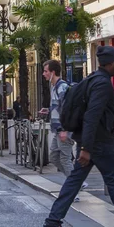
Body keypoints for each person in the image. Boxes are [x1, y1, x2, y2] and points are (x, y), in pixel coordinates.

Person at [44, 46, 114, 227]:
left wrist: (84, 145)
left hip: (90, 141)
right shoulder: (102, 84)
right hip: (101, 143)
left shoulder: (91, 80)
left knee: (73, 183)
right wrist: (86, 148)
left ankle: (52, 220)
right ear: (111, 63)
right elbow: (92, 116)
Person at [43, 60, 88, 200]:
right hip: (58, 129)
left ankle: (74, 188)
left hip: (63, 130)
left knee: (65, 158)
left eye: (45, 71)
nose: (43, 74)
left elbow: (67, 109)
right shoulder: (54, 87)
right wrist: (48, 110)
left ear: (53, 72)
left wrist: (65, 129)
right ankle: (77, 182)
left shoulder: (62, 87)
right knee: (54, 157)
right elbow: (59, 107)